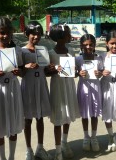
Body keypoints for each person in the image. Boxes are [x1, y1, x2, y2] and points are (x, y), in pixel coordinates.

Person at [0, 17, 24, 160]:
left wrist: (19, 72)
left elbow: (21, 70)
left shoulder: (17, 50)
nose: (5, 36)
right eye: (2, 32)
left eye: (8, 32)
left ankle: (12, 157)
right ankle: (2, 157)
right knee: (0, 125)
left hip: (13, 88)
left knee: (13, 123)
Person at [48, 23, 80, 160]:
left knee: (67, 116)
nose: (70, 36)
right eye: (67, 34)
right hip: (58, 88)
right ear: (60, 37)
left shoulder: (71, 51)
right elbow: (47, 72)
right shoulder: (51, 53)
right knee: (58, 119)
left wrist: (77, 72)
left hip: (69, 86)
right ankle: (58, 150)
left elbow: (74, 72)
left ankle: (64, 142)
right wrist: (55, 69)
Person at [21, 21, 52, 160]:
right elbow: (19, 72)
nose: (36, 37)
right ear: (26, 34)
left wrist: (50, 69)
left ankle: (40, 147)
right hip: (28, 86)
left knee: (40, 118)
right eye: (33, 34)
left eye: (39, 34)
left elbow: (46, 71)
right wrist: (25, 67)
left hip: (41, 84)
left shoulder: (43, 50)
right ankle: (29, 149)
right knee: (28, 119)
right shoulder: (22, 51)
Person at [76, 34, 103, 152]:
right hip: (83, 88)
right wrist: (78, 73)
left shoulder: (98, 58)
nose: (88, 47)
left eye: (91, 44)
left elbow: (102, 71)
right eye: (85, 44)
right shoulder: (78, 59)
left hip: (95, 87)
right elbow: (73, 72)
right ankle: (86, 136)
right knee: (85, 113)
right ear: (81, 45)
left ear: (94, 45)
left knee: (94, 113)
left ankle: (94, 136)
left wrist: (99, 74)